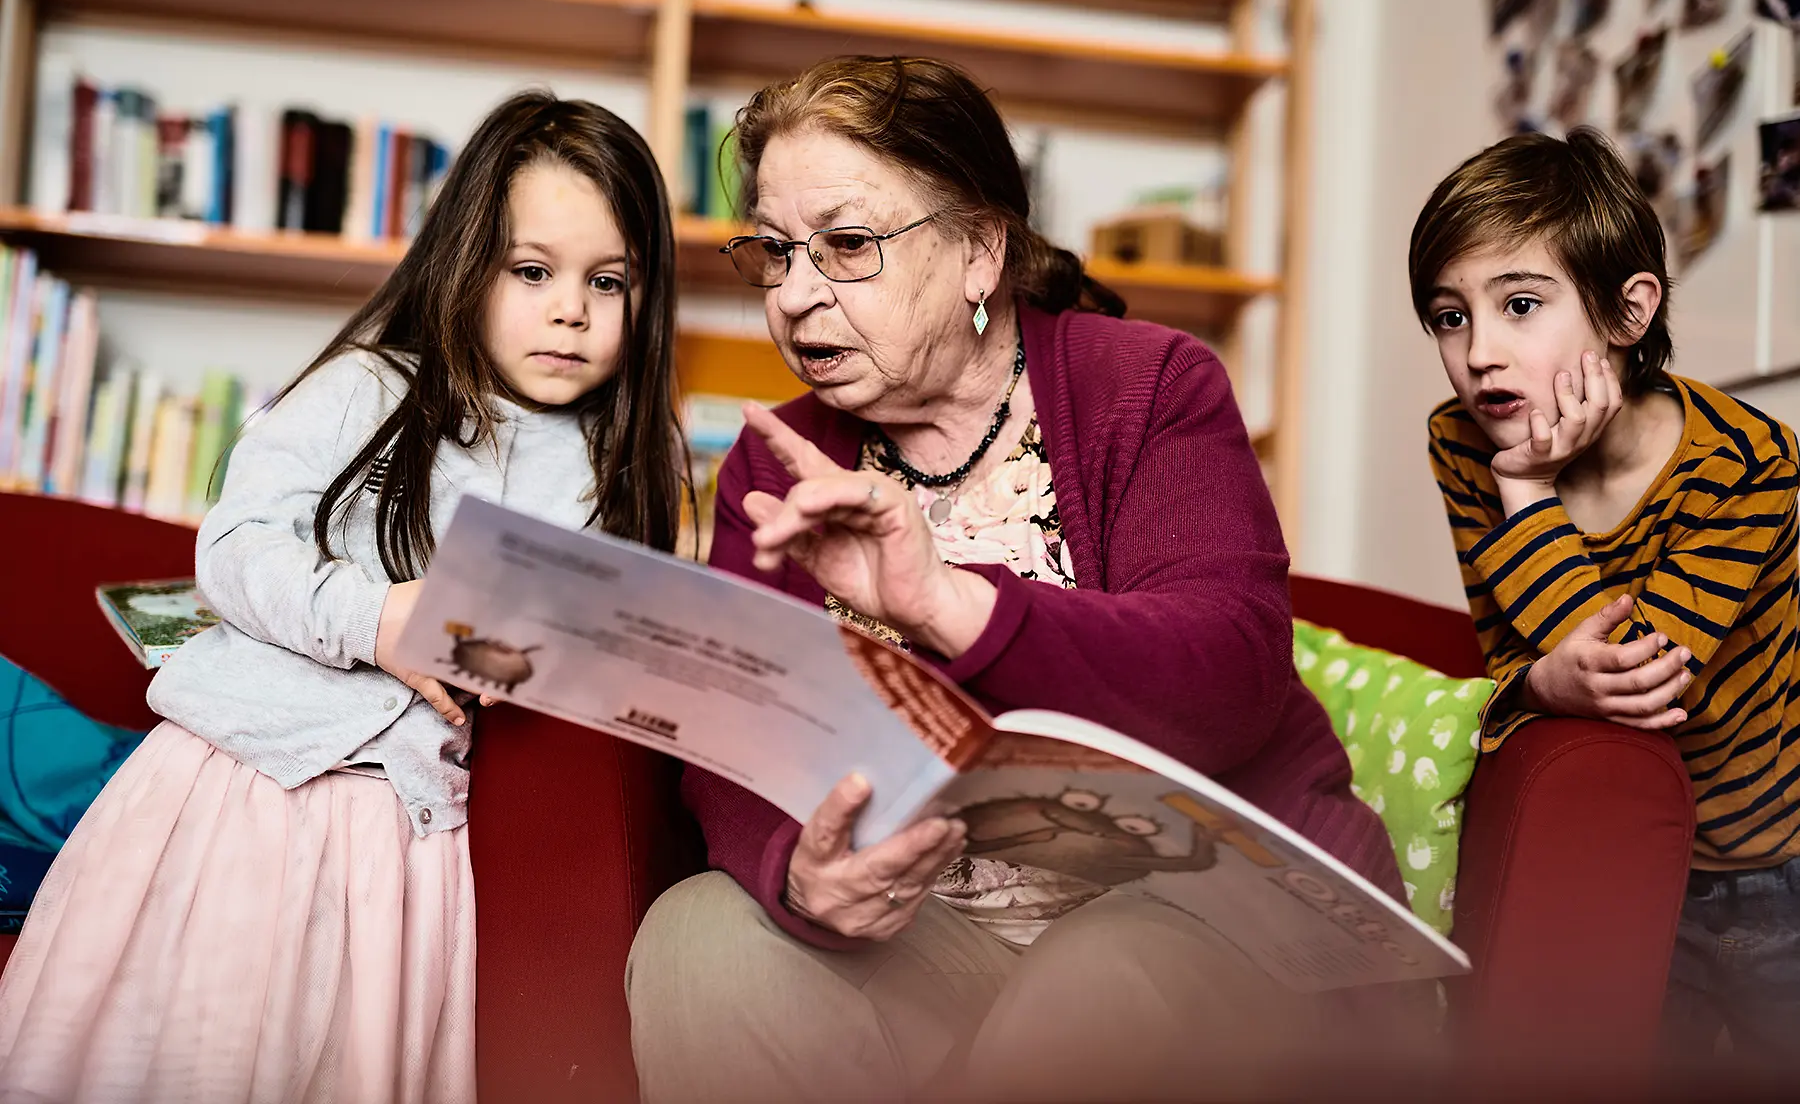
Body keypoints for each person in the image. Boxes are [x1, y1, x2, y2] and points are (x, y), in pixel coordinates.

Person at [625, 54, 1413, 1103]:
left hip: (1225, 928)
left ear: (979, 252)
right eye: (774, 254)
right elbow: (737, 741)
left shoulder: (1152, 387)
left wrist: (947, 603)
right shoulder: (776, 463)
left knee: (1104, 981)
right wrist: (798, 872)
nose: (797, 296)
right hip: (950, 938)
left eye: (848, 246)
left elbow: (1230, 680)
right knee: (698, 942)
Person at [0, 90, 686, 1103]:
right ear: (467, 264)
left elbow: (567, 654)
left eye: (609, 282)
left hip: (392, 829)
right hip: (232, 785)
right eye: (532, 271)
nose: (571, 309)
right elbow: (232, 547)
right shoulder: (370, 388)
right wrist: (376, 619)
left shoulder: (608, 470)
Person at [1414, 127, 1800, 1073]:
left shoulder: (1747, 464)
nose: (1480, 354)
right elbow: (1514, 666)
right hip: (1617, 857)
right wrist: (1520, 487)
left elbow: (1645, 685)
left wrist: (1528, 492)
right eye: (1449, 316)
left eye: (1519, 304)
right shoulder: (1467, 445)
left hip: (1769, 863)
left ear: (1628, 313)